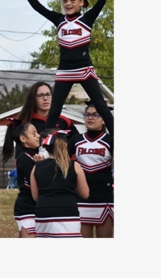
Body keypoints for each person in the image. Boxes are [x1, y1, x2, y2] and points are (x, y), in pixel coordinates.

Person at [14, 0, 114, 134]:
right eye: (65, 0)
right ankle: (46, 145)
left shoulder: (87, 19)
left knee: (101, 107)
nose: (68, 3)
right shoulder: (59, 20)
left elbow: (101, 3)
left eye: (72, 0)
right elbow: (39, 8)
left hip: (84, 69)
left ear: (81, 3)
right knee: (54, 110)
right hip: (65, 71)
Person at [30, 131, 90, 238]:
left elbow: (35, 197)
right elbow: (85, 194)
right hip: (68, 212)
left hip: (43, 212)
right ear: (65, 146)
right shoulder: (75, 166)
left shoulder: (37, 167)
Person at [68, 101, 114, 238]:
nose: (90, 117)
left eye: (95, 114)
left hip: (104, 197)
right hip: (81, 197)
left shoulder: (111, 140)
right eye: (87, 114)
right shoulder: (75, 140)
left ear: (104, 118)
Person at [13, 81, 79, 158]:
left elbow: (77, 143)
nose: (45, 98)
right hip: (35, 167)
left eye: (48, 94)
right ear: (33, 99)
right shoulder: (26, 124)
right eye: (40, 95)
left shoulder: (64, 121)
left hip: (63, 166)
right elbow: (19, 154)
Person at [1, 119, 41, 238]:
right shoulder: (24, 158)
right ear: (23, 139)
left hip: (37, 207)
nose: (38, 135)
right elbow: (35, 183)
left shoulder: (34, 155)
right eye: (34, 133)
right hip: (27, 208)